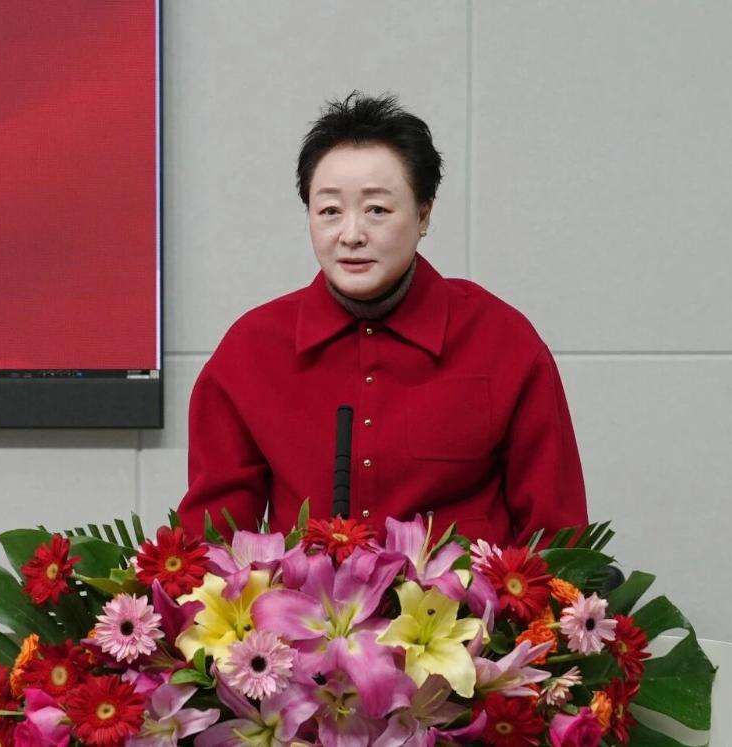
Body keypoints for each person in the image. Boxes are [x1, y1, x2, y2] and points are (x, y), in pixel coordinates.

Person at [177, 91, 588, 548]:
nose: (352, 234)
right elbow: (210, 542)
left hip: (471, 596)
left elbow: (557, 537)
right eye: (329, 211)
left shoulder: (501, 339)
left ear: (423, 214)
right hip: (305, 597)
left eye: (377, 210)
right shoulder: (251, 349)